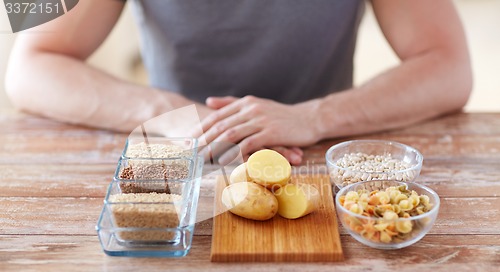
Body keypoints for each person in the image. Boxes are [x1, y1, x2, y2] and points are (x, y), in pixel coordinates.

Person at [5, 0, 472, 165]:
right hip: (181, 154)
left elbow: (449, 64)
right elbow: (27, 67)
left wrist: (316, 116)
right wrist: (168, 114)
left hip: (315, 158)